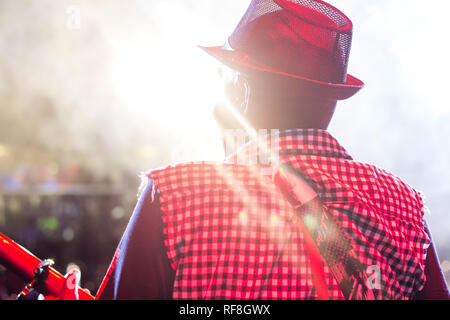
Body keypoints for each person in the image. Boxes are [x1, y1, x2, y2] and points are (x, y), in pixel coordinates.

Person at [66, 0, 450, 299]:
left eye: (227, 81)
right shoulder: (405, 207)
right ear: (331, 101)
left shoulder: (174, 197)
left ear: (241, 91)